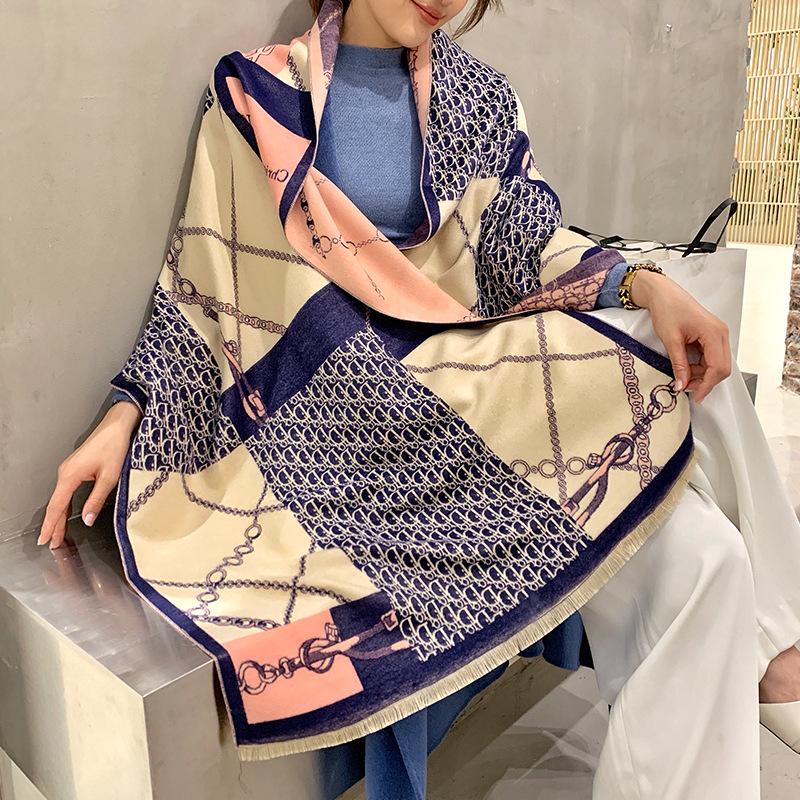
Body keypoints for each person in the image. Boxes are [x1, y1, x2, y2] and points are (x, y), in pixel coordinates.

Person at [38, 0, 800, 797]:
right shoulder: (256, 97)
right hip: (339, 425)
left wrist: (645, 281)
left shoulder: (480, 97)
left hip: (469, 391)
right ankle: (781, 654)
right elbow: (201, 287)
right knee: (662, 366)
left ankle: (775, 652)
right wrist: (126, 411)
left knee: (706, 552)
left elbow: (524, 244)